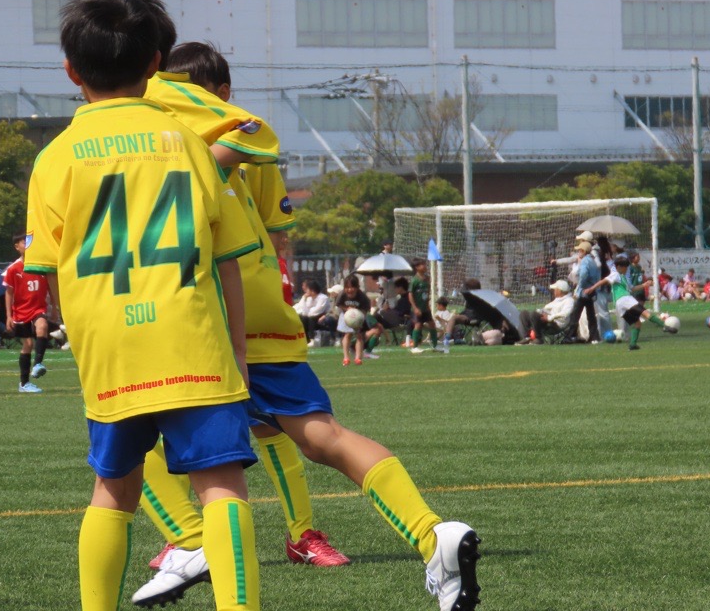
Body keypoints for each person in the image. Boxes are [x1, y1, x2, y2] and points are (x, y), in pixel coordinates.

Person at [132, 38, 480, 610]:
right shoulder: (241, 137)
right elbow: (272, 230)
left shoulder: (158, 136)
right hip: (261, 305)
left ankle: (192, 540)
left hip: (196, 307)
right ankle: (430, 533)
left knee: (130, 428)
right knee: (322, 436)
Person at [23, 0, 262, 611]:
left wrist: (88, 341)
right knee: (221, 487)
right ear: (156, 63)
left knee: (114, 490)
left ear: (71, 71)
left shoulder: (54, 158)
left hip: (112, 351)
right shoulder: (189, 144)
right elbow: (228, 261)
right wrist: (237, 351)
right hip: (193, 341)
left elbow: (50, 273)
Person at [130, 40, 351, 608]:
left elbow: (272, 227)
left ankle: (297, 535)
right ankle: (189, 537)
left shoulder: (241, 145)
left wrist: (277, 286)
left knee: (272, 427)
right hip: (192, 307)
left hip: (245, 307)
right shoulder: (163, 146)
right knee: (150, 424)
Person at [586, 255, 672, 350]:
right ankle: (664, 326)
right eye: (625, 267)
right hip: (625, 299)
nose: (626, 269)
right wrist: (592, 288)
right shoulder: (615, 274)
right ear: (619, 267)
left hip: (619, 305)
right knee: (645, 313)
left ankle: (632, 345)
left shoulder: (622, 277)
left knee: (637, 323)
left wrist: (644, 285)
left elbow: (632, 288)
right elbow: (604, 281)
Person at [4, 232, 52, 393]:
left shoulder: (40, 266)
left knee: (42, 326)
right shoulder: (13, 269)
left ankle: (38, 364)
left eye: (29, 242)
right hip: (21, 311)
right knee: (28, 344)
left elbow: (51, 286)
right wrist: (9, 316)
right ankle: (24, 384)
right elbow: (9, 293)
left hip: (38, 308)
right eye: (24, 243)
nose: (28, 245)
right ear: (17, 247)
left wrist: (55, 307)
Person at [517, 279, 575, 344]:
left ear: (560, 291)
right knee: (524, 314)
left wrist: (549, 317)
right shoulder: (557, 300)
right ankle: (526, 338)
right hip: (549, 320)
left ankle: (538, 339)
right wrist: (540, 312)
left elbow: (565, 313)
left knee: (534, 315)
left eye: (555, 289)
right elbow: (546, 308)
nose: (554, 291)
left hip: (557, 324)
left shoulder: (569, 300)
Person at [564, 241, 600, 344]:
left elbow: (583, 274)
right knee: (591, 315)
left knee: (575, 315)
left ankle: (570, 336)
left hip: (584, 292)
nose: (578, 252)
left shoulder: (585, 261)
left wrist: (580, 286)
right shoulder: (592, 261)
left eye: (579, 250)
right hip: (591, 291)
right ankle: (594, 336)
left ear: (583, 251)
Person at [335, 274, 371, 366]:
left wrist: (359, 315)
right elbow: (338, 304)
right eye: (347, 287)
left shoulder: (362, 296)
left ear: (357, 287)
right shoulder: (342, 294)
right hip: (346, 316)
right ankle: (346, 357)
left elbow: (366, 308)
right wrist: (347, 309)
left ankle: (358, 358)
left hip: (358, 317)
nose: (349, 290)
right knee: (347, 334)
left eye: (352, 287)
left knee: (359, 336)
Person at [443, 278, 483, 349]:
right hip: (469, 315)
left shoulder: (476, 297)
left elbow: (474, 311)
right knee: (454, 318)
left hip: (473, 317)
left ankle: (447, 339)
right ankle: (457, 338)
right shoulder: (472, 296)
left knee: (454, 318)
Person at [409, 258, 438, 353]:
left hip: (425, 308)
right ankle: (414, 347)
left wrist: (427, 304)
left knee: (432, 324)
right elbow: (410, 294)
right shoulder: (414, 280)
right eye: (422, 265)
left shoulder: (427, 279)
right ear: (417, 267)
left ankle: (435, 346)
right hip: (417, 308)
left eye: (424, 264)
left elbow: (427, 292)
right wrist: (415, 308)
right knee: (418, 325)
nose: (425, 266)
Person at [293, 279, 331, 347]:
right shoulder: (308, 298)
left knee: (311, 319)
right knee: (302, 318)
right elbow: (304, 312)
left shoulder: (323, 298)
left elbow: (316, 312)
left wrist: (308, 311)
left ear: (312, 290)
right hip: (310, 316)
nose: (306, 291)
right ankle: (305, 339)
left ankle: (312, 339)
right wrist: (304, 299)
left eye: (307, 289)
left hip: (322, 317)